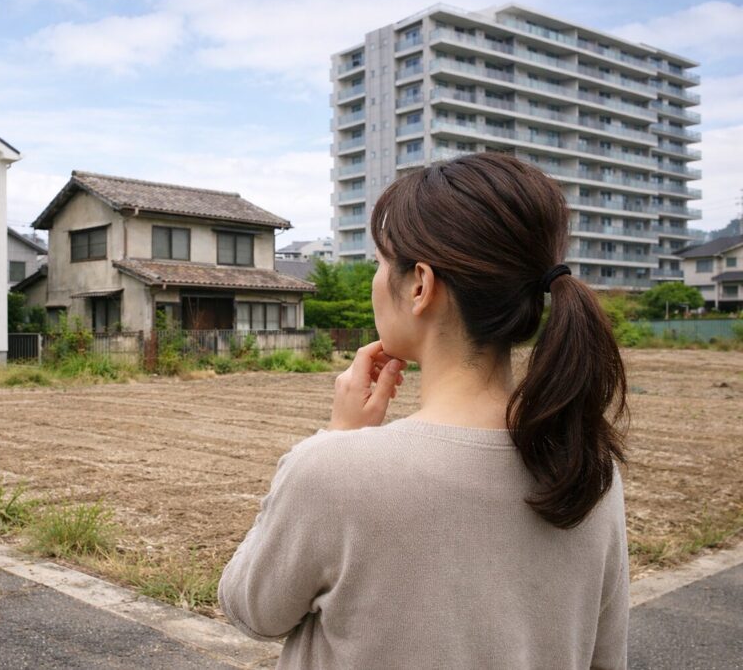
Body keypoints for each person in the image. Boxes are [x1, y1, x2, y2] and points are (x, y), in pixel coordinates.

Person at [218, 152, 629, 669]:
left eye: (378, 262)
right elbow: (605, 656)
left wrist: (337, 435)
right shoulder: (588, 467)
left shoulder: (334, 470)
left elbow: (252, 609)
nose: (374, 280)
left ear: (420, 286)